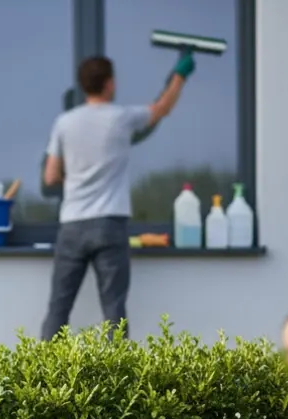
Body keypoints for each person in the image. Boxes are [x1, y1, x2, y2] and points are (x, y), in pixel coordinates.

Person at [39, 52, 194, 341]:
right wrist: (180, 75)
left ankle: (38, 381)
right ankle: (116, 385)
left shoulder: (64, 123)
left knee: (58, 310)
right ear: (109, 84)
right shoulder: (122, 118)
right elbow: (162, 108)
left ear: (84, 85)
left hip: (73, 224)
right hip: (109, 224)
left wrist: (75, 178)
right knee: (114, 313)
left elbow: (50, 177)